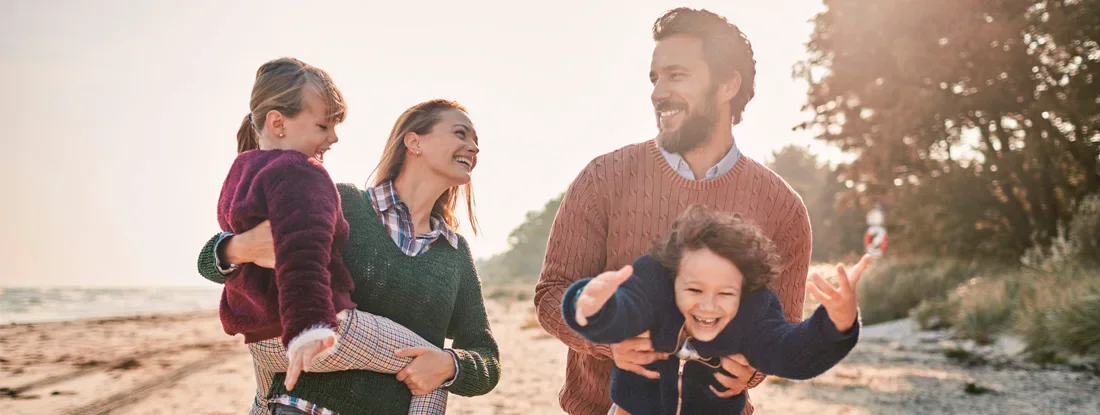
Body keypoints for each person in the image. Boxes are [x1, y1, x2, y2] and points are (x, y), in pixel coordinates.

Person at [533, 8, 813, 415]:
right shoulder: (603, 178)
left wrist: (750, 367)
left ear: (727, 85)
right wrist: (607, 342)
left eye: (677, 75)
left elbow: (781, 328)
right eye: (655, 77)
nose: (658, 92)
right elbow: (551, 294)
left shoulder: (782, 207)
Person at [198, 95, 500, 415]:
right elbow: (210, 262)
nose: (474, 147)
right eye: (460, 133)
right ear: (414, 141)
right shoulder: (345, 203)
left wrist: (450, 365)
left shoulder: (453, 253)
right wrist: (238, 248)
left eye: (476, 141)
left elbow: (487, 359)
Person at [563, 206, 870, 415]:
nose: (708, 305)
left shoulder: (754, 311)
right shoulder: (653, 286)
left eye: (725, 293)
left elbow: (790, 353)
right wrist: (593, 306)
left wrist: (837, 322)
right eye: (694, 290)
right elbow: (624, 310)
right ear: (674, 279)